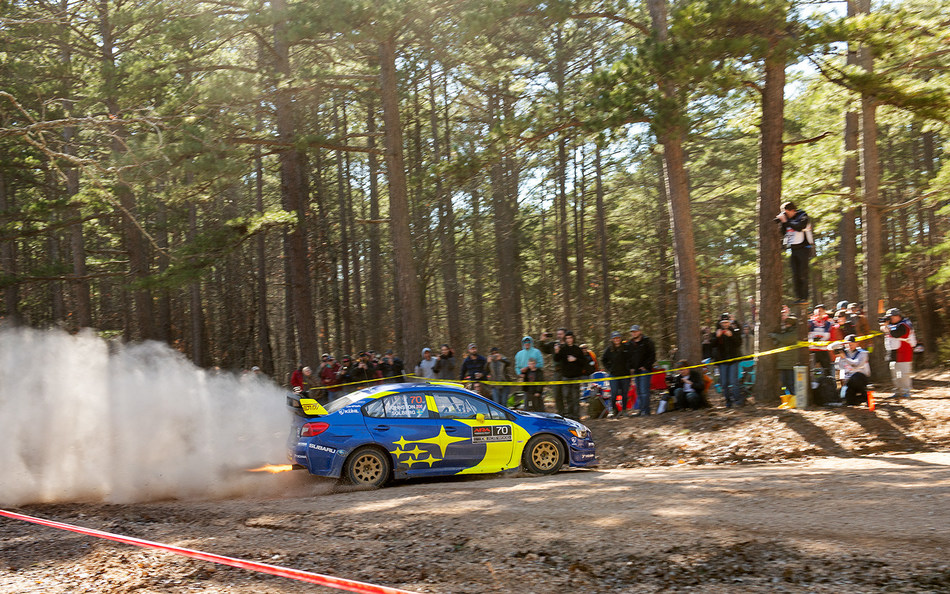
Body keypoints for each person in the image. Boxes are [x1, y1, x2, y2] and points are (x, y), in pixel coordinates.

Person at [775, 200, 813, 304]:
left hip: (804, 248)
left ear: (792, 211)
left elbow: (800, 226)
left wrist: (786, 221)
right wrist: (783, 222)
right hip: (793, 249)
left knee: (803, 273)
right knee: (795, 274)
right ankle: (798, 297)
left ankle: (804, 297)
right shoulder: (788, 220)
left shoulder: (803, 215)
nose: (786, 216)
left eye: (786, 213)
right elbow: (784, 232)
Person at [553, 331, 587, 419]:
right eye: (567, 338)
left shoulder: (577, 349)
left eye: (570, 338)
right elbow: (557, 359)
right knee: (567, 397)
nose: (569, 340)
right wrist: (556, 351)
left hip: (575, 376)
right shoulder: (563, 349)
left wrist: (575, 359)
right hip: (566, 377)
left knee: (575, 397)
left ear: (573, 338)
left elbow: (583, 362)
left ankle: (576, 416)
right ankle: (570, 416)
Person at [882, 307, 915, 398]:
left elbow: (897, 334)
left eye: (891, 317)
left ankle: (906, 391)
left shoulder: (905, 324)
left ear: (897, 316)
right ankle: (897, 391)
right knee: (894, 373)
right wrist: (885, 326)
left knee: (904, 373)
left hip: (904, 352)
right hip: (893, 352)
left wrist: (887, 328)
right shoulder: (892, 325)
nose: (889, 319)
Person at [713, 313, 744, 407]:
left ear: (729, 322)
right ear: (720, 323)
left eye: (726, 322)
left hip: (733, 360)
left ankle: (738, 400)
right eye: (723, 323)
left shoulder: (734, 330)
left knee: (734, 381)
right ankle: (728, 401)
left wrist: (731, 336)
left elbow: (739, 343)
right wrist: (717, 337)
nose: (725, 324)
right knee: (724, 382)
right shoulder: (717, 332)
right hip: (722, 361)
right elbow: (713, 345)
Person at [628, 325, 656, 416]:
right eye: (632, 332)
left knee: (644, 391)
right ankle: (641, 410)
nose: (634, 333)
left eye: (635, 331)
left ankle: (646, 411)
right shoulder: (630, 343)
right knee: (638, 391)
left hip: (645, 370)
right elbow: (629, 357)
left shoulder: (647, 341)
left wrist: (646, 366)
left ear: (640, 331)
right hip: (636, 371)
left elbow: (652, 355)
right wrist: (631, 368)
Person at [602, 331, 631, 417]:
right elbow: (603, 359)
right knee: (614, 394)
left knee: (625, 394)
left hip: (625, 374)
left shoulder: (626, 348)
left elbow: (630, 358)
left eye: (618, 338)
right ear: (612, 339)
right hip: (613, 375)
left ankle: (624, 410)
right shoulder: (609, 349)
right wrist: (609, 368)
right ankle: (613, 410)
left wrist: (629, 367)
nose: (616, 340)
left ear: (620, 338)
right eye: (615, 338)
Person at [835, 335, 870, 405]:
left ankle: (865, 394)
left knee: (855, 378)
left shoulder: (863, 353)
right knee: (846, 399)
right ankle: (858, 399)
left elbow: (857, 365)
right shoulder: (843, 354)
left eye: (851, 344)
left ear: (856, 343)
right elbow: (840, 368)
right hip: (848, 380)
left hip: (861, 377)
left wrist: (845, 358)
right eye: (847, 345)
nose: (849, 346)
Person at [539, 328, 567, 415]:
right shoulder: (554, 344)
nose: (559, 336)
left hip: (567, 373)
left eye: (561, 334)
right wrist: (542, 340)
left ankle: (570, 413)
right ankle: (561, 413)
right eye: (558, 334)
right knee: (557, 394)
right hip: (557, 372)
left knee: (567, 394)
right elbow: (544, 349)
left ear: (565, 335)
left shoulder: (568, 345)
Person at [769, 315, 800, 395]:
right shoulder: (785, 332)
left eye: (788, 324)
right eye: (785, 323)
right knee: (783, 383)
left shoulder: (794, 332)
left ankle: (794, 397)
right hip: (782, 362)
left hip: (790, 363)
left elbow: (786, 339)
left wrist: (775, 335)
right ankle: (787, 397)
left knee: (791, 382)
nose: (786, 325)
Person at [808, 304, 833, 374]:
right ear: (814, 311)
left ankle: (828, 383)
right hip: (812, 350)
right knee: (810, 371)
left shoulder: (827, 323)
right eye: (817, 310)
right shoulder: (810, 323)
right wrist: (813, 340)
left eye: (821, 310)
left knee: (827, 370)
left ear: (824, 312)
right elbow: (807, 335)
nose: (819, 312)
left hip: (823, 350)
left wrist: (820, 341)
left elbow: (828, 336)